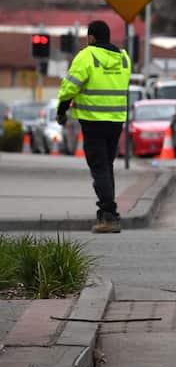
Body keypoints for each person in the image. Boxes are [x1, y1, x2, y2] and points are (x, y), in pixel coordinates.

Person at [57, 20, 132, 234]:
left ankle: (109, 215)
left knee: (99, 167)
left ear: (91, 37)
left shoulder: (86, 56)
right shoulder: (124, 59)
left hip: (93, 121)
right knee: (106, 167)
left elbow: (70, 86)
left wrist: (62, 110)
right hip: (116, 121)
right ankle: (108, 213)